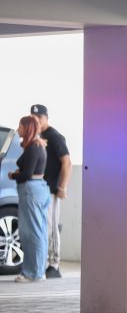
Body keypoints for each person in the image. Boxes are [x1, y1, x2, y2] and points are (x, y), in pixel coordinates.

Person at [30, 104, 72, 279]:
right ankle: (41, 263)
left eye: (40, 117)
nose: (37, 120)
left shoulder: (55, 137)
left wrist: (62, 187)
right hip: (38, 190)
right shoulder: (37, 137)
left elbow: (67, 163)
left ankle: (54, 265)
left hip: (51, 190)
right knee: (39, 228)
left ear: (46, 117)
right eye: (34, 117)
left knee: (51, 227)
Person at [8, 115, 51, 283]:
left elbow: (26, 173)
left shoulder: (34, 147)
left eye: (20, 126)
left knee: (31, 233)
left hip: (31, 190)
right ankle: (36, 271)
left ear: (28, 128)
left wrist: (13, 175)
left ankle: (34, 273)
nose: (18, 129)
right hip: (36, 189)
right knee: (36, 232)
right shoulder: (34, 146)